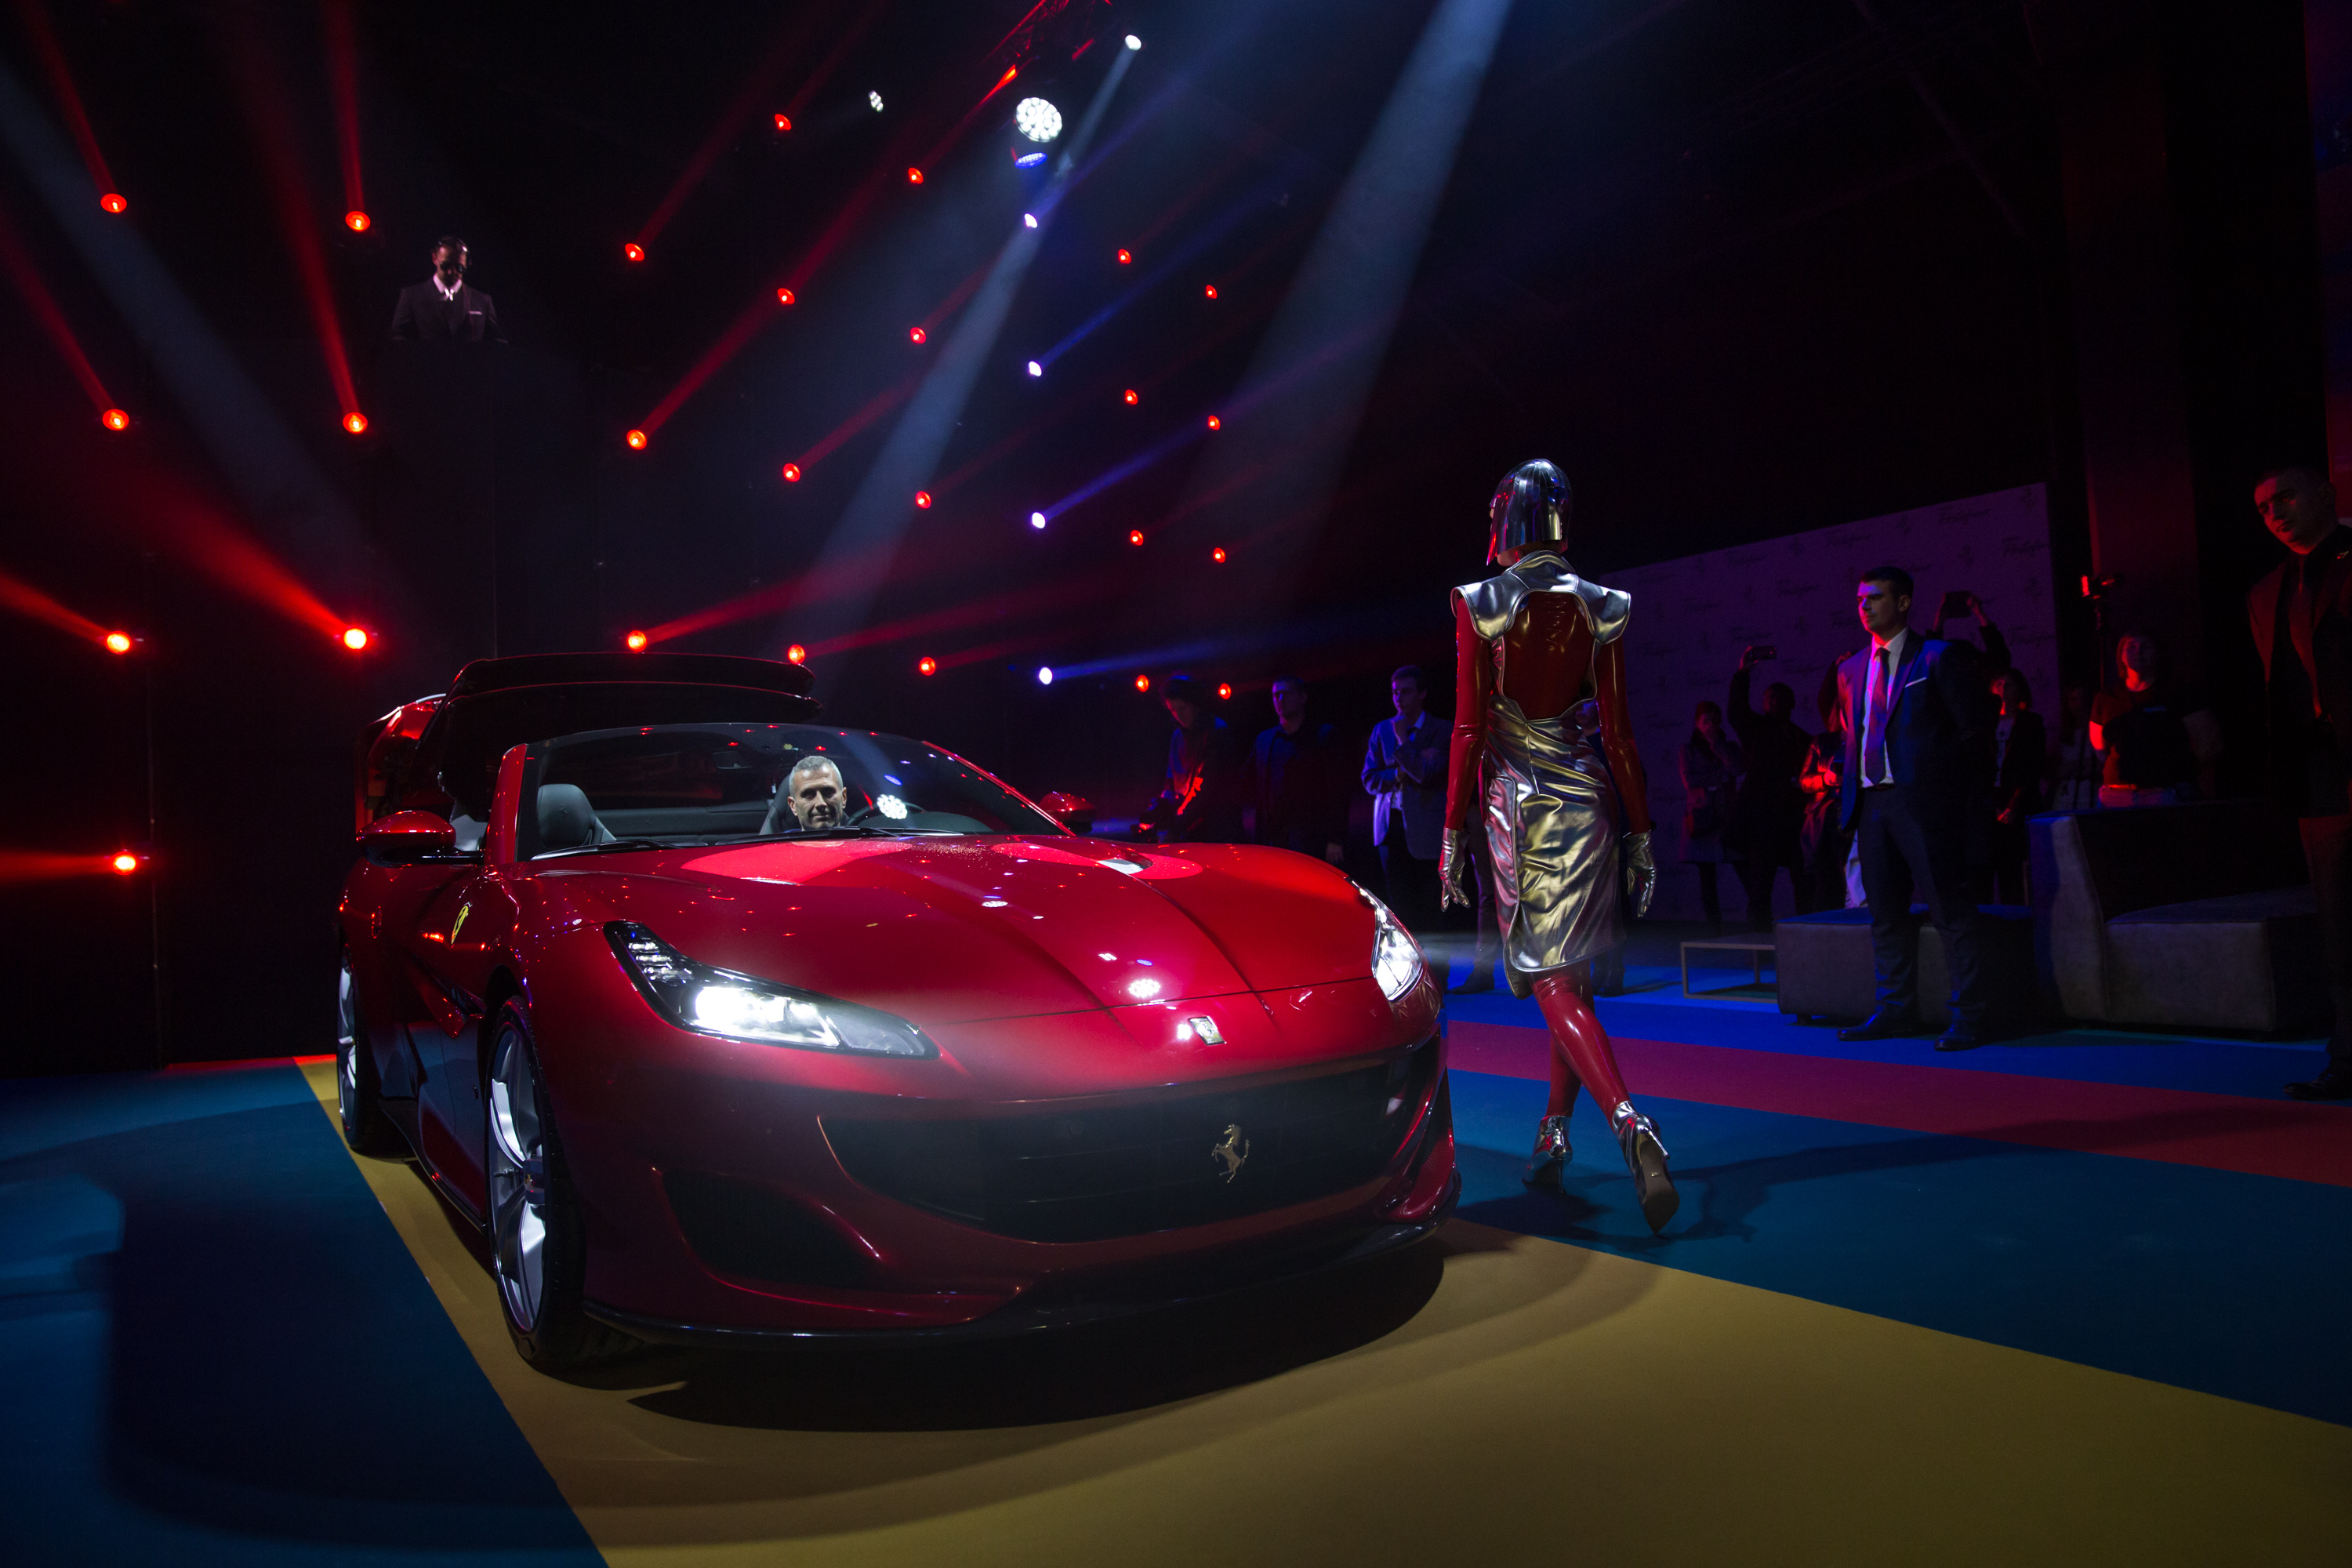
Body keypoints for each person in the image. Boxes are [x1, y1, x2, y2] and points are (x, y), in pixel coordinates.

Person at [1436, 460, 1675, 1233]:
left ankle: (1630, 1121)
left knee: (1552, 980)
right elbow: (1621, 736)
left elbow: (1468, 728)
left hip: (1522, 806)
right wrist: (1641, 836)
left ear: (1505, 519)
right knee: (1570, 976)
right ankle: (1554, 1132)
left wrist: (1451, 833)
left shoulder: (1482, 602)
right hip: (1591, 798)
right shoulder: (1603, 604)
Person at [1833, 564, 1998, 1051]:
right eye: (1860, 599)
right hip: (1872, 804)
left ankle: (1970, 1015)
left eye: (1875, 597)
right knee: (1885, 915)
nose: (1865, 606)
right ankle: (1895, 1009)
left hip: (1925, 805)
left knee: (1951, 910)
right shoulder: (1850, 669)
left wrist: (1955, 800)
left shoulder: (1938, 657)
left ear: (1904, 602)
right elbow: (1853, 735)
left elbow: (1974, 734)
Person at [2251, 464, 2352, 1099]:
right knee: (2338, 925)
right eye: (2264, 508)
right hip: (2319, 775)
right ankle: (2347, 1056)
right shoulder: (2266, 591)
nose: (2275, 514)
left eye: (2284, 498)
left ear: (2326, 495)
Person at [1727, 649, 1813, 925]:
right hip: (1763, 824)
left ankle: (1807, 935)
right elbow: (1737, 712)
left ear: (1791, 703)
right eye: (1767, 696)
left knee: (1804, 881)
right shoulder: (1756, 729)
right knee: (1760, 886)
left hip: (1793, 821)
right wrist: (1743, 674)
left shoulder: (1802, 738)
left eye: (1777, 696)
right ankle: (1759, 940)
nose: (1771, 700)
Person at [2088, 633, 2220, 806]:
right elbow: (2099, 746)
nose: (2138, 652)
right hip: (2116, 793)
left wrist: (2178, 771)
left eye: (2146, 646)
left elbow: (2211, 743)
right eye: (2131, 647)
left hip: (2166, 791)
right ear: (2121, 655)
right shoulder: (2106, 697)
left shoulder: (2179, 693)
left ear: (2158, 653)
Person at [1363, 666, 1448, 930]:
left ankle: (1433, 955)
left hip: (1427, 827)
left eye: (1406, 692)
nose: (1399, 698)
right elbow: (1369, 779)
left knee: (1429, 901)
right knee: (1399, 903)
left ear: (1422, 693)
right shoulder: (1381, 730)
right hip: (1390, 826)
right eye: (1395, 692)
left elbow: (1427, 774)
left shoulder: (1441, 729)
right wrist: (1402, 771)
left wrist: (1403, 740)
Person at [1250, 677, 1348, 864]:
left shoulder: (1323, 736)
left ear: (1303, 698)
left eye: (1286, 693)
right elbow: (1253, 786)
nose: (1280, 699)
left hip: (1313, 837)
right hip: (1274, 838)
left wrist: (1335, 839)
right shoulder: (1264, 740)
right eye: (1276, 695)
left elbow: (1338, 791)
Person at [1139, 674, 1247, 844]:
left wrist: (1177, 825)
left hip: (1218, 830)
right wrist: (1162, 806)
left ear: (1196, 704)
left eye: (1182, 708)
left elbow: (1206, 787)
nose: (1178, 715)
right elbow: (1171, 780)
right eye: (1173, 710)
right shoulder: (1178, 737)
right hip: (1191, 829)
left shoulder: (1217, 732)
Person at [1679, 701, 1742, 931]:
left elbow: (1737, 768)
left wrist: (1717, 744)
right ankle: (1715, 929)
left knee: (1744, 867)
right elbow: (1690, 781)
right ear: (1697, 723)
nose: (1710, 725)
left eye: (1715, 721)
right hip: (1703, 816)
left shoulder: (1729, 746)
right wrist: (1720, 776)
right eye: (1706, 721)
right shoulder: (1688, 749)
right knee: (1707, 877)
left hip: (1728, 815)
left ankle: (1757, 925)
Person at [1988, 670, 2048, 904]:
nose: (2003, 689)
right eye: (1999, 684)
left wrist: (2014, 805)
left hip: (2020, 800)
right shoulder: (1985, 723)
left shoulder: (2030, 722)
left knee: (2021, 866)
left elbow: (2033, 767)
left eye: (2009, 685)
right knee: (1995, 866)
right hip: (1991, 801)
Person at [390, 237, 506, 343]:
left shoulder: (482, 301)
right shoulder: (412, 296)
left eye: (459, 268)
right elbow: (398, 339)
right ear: (434, 258)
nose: (452, 272)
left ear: (467, 265)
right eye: (446, 265)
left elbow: (497, 342)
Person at [1797, 687, 1850, 913]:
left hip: (1856, 814)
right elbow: (1804, 781)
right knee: (1825, 879)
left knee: (1855, 877)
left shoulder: (1867, 740)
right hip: (1825, 818)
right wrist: (1826, 779)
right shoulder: (1822, 741)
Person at [2048, 684, 2102, 813]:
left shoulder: (2098, 732)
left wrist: (2072, 768)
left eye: (2083, 698)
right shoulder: (2060, 735)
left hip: (2093, 795)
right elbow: (2052, 770)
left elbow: (2101, 766)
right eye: (2074, 699)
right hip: (2066, 798)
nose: (2079, 704)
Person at [763, 755, 845, 833]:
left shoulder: (855, 840)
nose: (820, 803)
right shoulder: (781, 843)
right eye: (808, 795)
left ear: (843, 798)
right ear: (793, 806)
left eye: (828, 793)